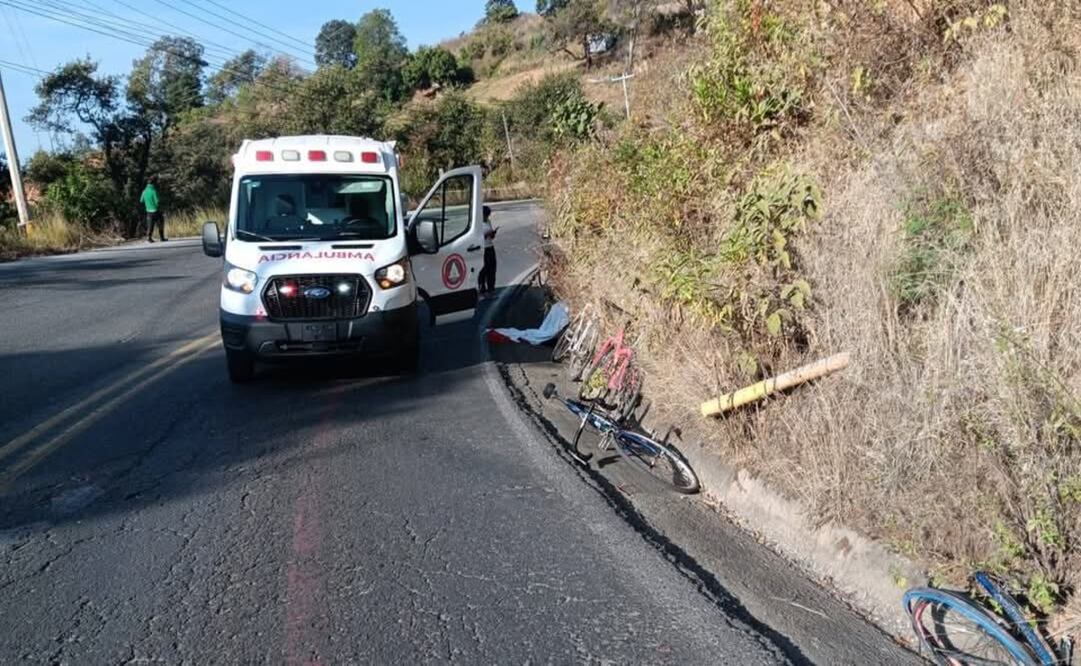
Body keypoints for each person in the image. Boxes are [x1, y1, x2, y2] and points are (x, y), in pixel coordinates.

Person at [478, 205, 498, 297]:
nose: (487, 217)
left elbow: (491, 237)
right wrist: (486, 235)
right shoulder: (478, 225)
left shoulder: (488, 221)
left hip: (490, 246)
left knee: (492, 268)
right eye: (485, 215)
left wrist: (493, 234)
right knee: (483, 269)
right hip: (483, 248)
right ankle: (482, 289)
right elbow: (477, 238)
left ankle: (491, 289)